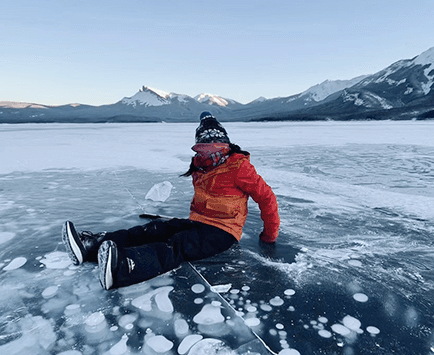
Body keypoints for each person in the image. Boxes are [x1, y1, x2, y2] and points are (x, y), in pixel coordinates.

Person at [66, 112, 281, 290]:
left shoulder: (239, 168)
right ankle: (91, 247)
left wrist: (269, 237)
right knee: (153, 230)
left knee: (175, 247)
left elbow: (267, 198)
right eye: (203, 149)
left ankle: (122, 268)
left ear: (223, 145)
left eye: (212, 149)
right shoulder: (201, 165)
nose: (207, 155)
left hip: (223, 232)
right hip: (199, 223)